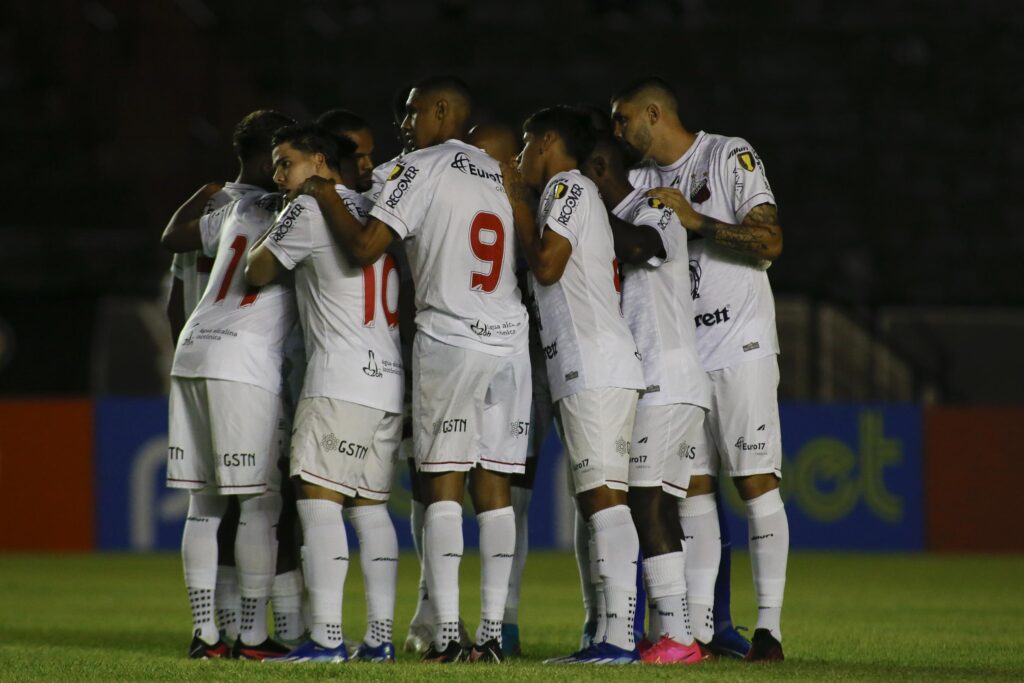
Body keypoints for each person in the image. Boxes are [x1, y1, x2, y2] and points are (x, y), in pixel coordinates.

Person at [302, 76, 531, 664]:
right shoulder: (497, 170)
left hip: (452, 339)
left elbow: (365, 244)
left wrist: (321, 189)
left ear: (441, 109)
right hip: (510, 342)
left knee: (442, 483)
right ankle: (492, 636)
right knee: (496, 489)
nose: (404, 124)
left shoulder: (419, 167)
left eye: (411, 112)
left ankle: (447, 634)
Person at [612, 76, 788, 662]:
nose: (617, 130)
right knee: (693, 490)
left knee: (755, 482)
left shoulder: (726, 155)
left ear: (653, 113)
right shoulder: (639, 181)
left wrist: (699, 222)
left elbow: (770, 241)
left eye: (623, 118)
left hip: (740, 344)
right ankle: (702, 628)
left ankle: (769, 631)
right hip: (683, 355)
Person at [246, 126, 404, 663]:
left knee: (317, 503)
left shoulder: (310, 208)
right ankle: (379, 640)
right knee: (371, 511)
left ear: (318, 162)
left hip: (340, 379)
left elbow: (256, 270)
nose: (277, 175)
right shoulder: (372, 208)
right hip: (387, 380)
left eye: (285, 163)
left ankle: (328, 638)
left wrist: (274, 225)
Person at [508, 105, 645, 665]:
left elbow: (547, 266)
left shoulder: (569, 187)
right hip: (584, 365)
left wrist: (516, 201)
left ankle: (619, 639)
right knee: (594, 501)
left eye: (524, 144)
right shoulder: (566, 194)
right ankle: (603, 633)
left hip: (595, 365)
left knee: (605, 500)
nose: (519, 157)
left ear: (546, 142)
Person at [161, 108, 297, 660]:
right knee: (261, 503)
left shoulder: (236, 206)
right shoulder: (299, 214)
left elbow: (174, 238)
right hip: (243, 359)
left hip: (193, 349)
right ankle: (252, 635)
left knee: (205, 504)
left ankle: (205, 634)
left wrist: (205, 192)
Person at [582, 132, 711, 664]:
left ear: (598, 167)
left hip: (667, 378)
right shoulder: (623, 215)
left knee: (646, 502)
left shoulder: (655, 208)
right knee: (659, 504)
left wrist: (590, 212)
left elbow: (643, 247)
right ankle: (673, 634)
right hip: (662, 379)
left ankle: (680, 639)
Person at [468, 121, 550, 658]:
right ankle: (484, 620)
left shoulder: (534, 209)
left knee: (519, 498)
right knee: (483, 494)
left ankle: (509, 620)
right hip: (510, 357)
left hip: (534, 364)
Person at [315, 109, 376, 193]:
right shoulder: (310, 201)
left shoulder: (386, 182)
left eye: (370, 154)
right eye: (358, 157)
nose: (369, 165)